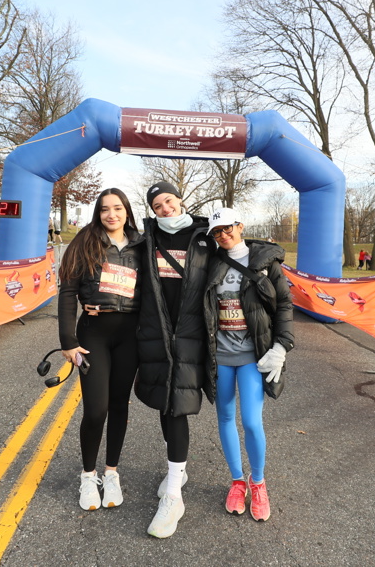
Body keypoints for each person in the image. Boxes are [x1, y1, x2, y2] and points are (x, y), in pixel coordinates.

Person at [202, 207, 293, 522]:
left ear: (240, 226)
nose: (223, 235)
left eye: (227, 228)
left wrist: (282, 345)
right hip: (222, 356)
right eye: (217, 232)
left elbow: (284, 303)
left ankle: (259, 482)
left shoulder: (266, 261)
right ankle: (237, 481)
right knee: (226, 418)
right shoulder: (212, 262)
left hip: (253, 356)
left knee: (252, 422)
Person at [58, 188, 145, 511]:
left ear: (127, 211)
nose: (112, 214)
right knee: (96, 409)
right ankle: (88, 475)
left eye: (118, 208)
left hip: (130, 334)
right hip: (93, 334)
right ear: (98, 213)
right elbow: (68, 291)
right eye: (105, 209)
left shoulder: (141, 244)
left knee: (119, 405)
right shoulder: (85, 241)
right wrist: (67, 340)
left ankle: (111, 472)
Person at [136, 181, 213, 538]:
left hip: (191, 333)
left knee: (178, 406)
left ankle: (173, 496)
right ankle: (176, 473)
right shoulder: (146, 239)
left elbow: (234, 263)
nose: (165, 209)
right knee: (164, 402)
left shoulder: (205, 236)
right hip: (156, 332)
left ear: (180, 199)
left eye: (169, 201)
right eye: (158, 206)